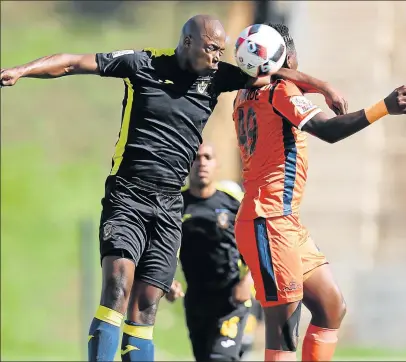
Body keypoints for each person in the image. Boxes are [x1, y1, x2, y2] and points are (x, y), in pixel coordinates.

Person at [0, 14, 348, 362]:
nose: (217, 57)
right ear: (188, 42)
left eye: (221, 50)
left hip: (170, 203)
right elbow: (73, 63)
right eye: (212, 48)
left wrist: (323, 86)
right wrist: (21, 70)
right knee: (118, 285)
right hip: (128, 193)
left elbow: (269, 71)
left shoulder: (217, 76)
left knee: (147, 304)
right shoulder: (143, 63)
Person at [232, 23, 406, 362]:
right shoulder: (280, 92)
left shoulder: (245, 92)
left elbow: (284, 76)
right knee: (283, 333)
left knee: (331, 306)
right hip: (269, 221)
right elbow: (327, 130)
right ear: (287, 59)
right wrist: (383, 107)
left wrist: (322, 85)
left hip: (283, 221)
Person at [166, 143, 255, 361]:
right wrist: (166, 281)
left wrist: (248, 281)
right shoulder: (175, 206)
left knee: (220, 358)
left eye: (207, 157)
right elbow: (164, 248)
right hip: (196, 301)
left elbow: (259, 243)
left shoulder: (233, 202)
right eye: (196, 158)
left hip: (231, 298)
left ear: (217, 165)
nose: (202, 163)